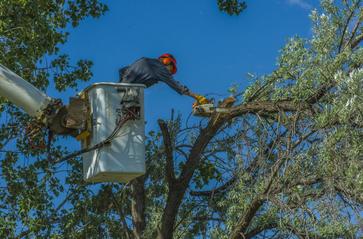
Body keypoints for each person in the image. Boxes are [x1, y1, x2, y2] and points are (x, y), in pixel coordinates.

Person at [119, 53, 209, 106]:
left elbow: (122, 71)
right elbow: (176, 85)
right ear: (167, 62)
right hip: (128, 94)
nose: (169, 72)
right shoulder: (160, 67)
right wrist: (196, 97)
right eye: (171, 69)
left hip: (120, 91)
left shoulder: (148, 62)